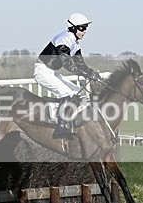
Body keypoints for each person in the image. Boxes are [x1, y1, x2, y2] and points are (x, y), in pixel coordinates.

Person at [35, 12, 103, 140]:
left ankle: (71, 123)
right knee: (67, 93)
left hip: (52, 72)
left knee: (80, 94)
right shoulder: (64, 38)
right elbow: (67, 62)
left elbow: (79, 63)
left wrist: (91, 73)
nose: (85, 31)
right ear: (73, 27)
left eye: (86, 28)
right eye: (82, 28)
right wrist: (84, 73)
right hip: (42, 70)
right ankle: (60, 127)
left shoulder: (75, 43)